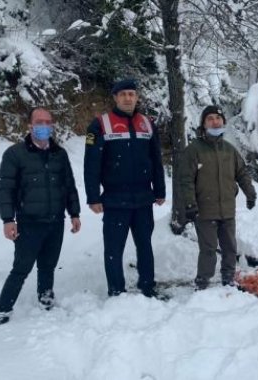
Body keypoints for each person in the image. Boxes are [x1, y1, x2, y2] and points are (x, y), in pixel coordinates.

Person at [0, 108, 81, 326]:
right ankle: (3, 310)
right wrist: (8, 219)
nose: (44, 126)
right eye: (39, 122)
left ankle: (46, 298)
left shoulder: (60, 154)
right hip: (29, 223)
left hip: (55, 221)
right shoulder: (15, 154)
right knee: (21, 268)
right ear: (30, 125)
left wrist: (74, 213)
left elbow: (69, 186)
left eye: (48, 122)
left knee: (48, 265)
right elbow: (6, 190)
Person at [84, 78, 166, 298]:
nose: (127, 98)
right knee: (113, 250)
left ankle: (147, 287)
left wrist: (160, 190)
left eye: (131, 94)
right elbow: (91, 164)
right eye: (123, 94)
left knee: (145, 247)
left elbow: (156, 160)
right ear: (115, 98)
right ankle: (116, 291)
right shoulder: (101, 125)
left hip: (142, 199)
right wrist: (93, 197)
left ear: (137, 97)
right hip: (114, 199)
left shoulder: (147, 123)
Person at [180, 105, 257, 290]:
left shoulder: (229, 150)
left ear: (223, 121)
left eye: (218, 118)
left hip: (227, 210)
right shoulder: (194, 150)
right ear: (204, 124)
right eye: (210, 119)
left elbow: (242, 173)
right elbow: (185, 180)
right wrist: (190, 204)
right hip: (205, 211)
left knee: (230, 248)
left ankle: (228, 279)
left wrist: (250, 193)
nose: (215, 121)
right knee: (208, 250)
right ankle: (202, 283)